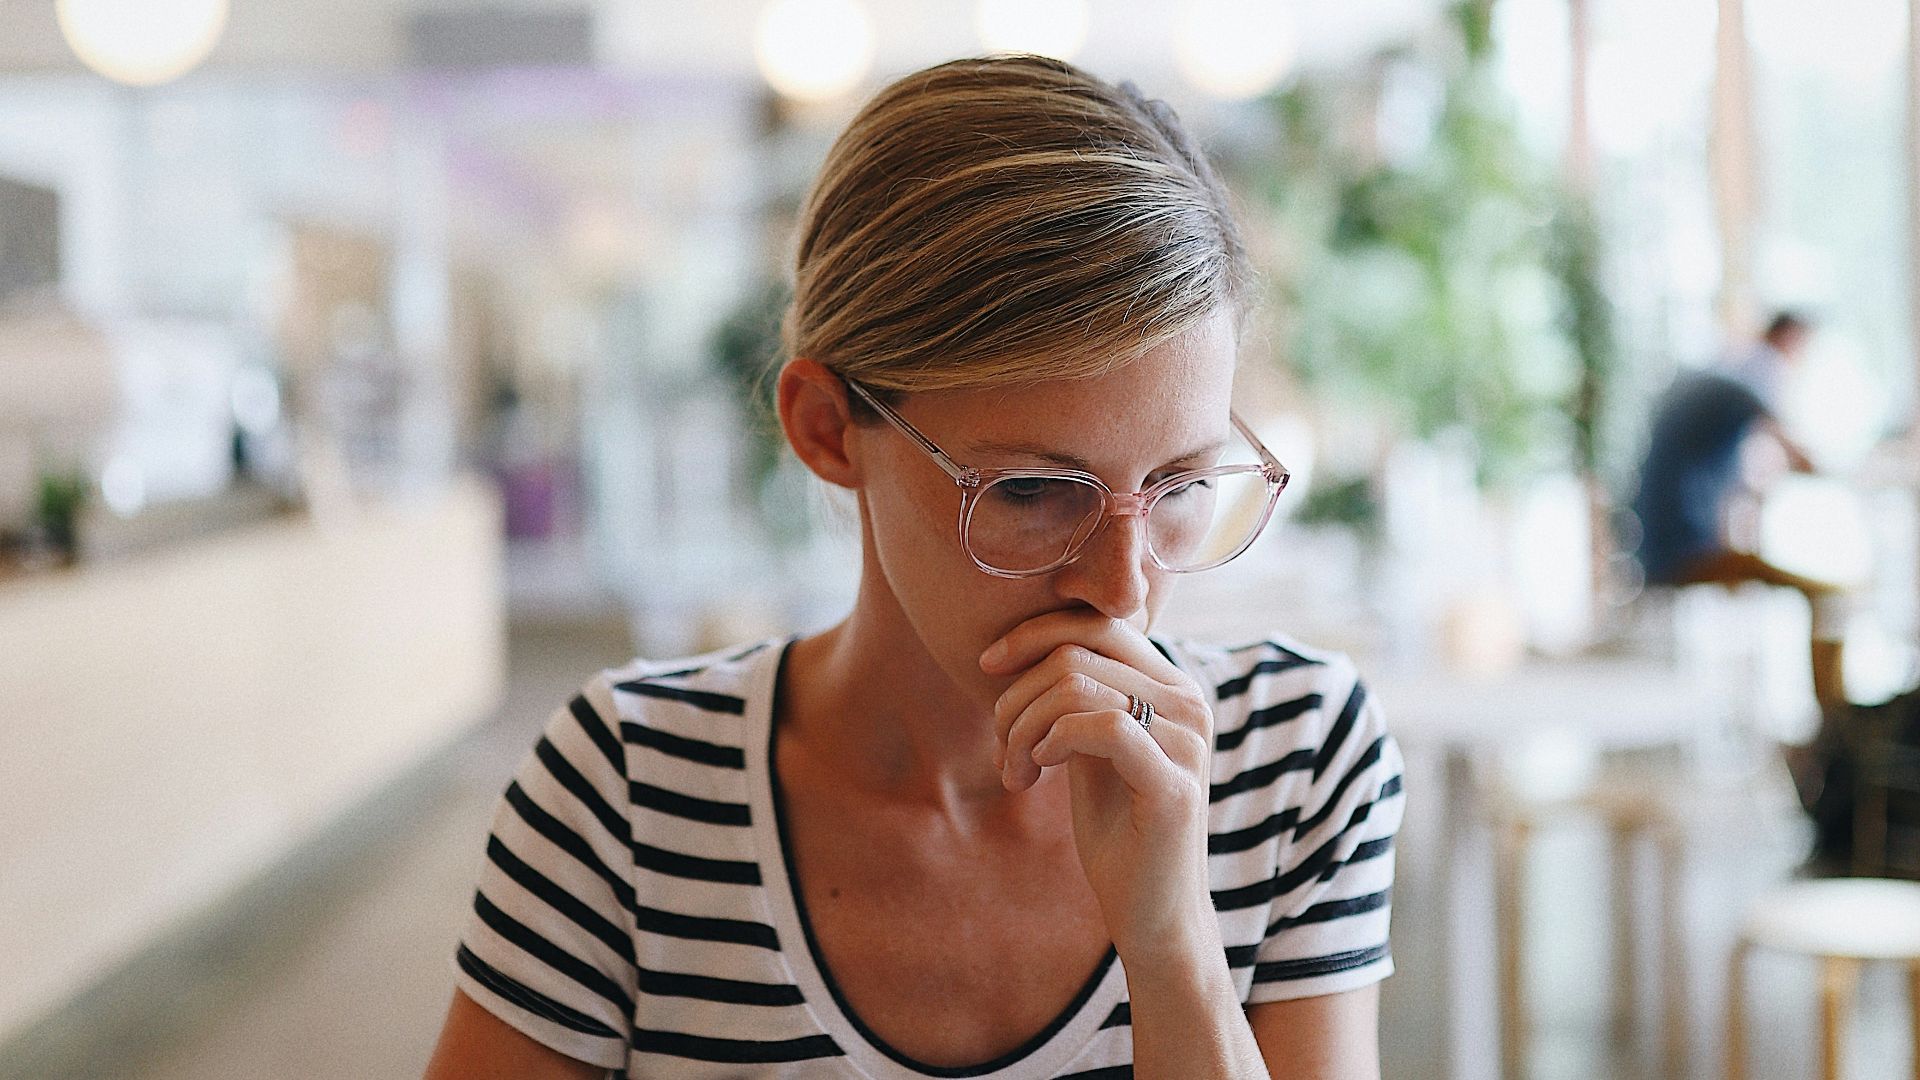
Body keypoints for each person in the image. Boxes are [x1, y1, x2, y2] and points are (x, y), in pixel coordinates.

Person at [423, 54, 1404, 1080]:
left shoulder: (1293, 765)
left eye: (1181, 487)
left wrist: (1173, 947)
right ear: (827, 429)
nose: (1122, 590)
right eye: (1030, 491)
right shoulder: (625, 795)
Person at [1628, 309, 1853, 713]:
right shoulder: (1758, 374)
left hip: (1662, 543)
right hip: (1683, 550)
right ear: (1789, 340)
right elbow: (1798, 454)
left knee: (1789, 578)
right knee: (1827, 595)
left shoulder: (1722, 375)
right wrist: (1849, 472)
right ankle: (1836, 727)